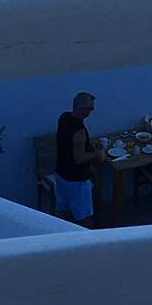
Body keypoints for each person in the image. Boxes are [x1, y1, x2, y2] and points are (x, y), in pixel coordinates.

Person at [53, 91, 106, 226]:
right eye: (90, 109)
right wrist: (98, 153)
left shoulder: (64, 117)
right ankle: (88, 237)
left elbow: (70, 144)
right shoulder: (79, 131)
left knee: (61, 211)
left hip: (61, 174)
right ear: (83, 109)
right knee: (84, 217)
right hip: (76, 180)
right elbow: (79, 158)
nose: (91, 112)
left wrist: (88, 145)